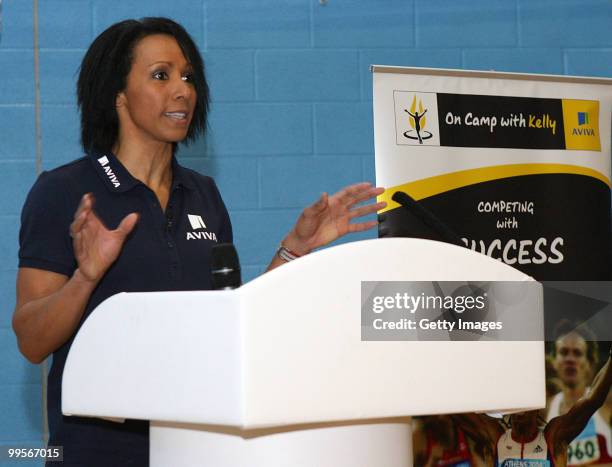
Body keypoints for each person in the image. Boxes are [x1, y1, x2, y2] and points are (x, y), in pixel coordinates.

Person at [11, 18, 385, 466]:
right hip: (98, 451)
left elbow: (227, 324)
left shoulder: (203, 193)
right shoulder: (66, 191)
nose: (182, 90)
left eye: (188, 76)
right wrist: (86, 277)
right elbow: (31, 341)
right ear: (118, 95)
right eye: (160, 75)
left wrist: (294, 248)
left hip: (198, 445)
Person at [451, 347, 612, 467]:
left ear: (537, 405)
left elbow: (592, 401)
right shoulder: (494, 438)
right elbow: (453, 404)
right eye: (516, 398)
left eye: (525, 398)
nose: (520, 406)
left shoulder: (554, 437)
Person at [547, 321, 612, 465]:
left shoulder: (608, 403)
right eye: (564, 352)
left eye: (577, 353)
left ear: (590, 362)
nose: (570, 359)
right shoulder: (545, 409)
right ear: (553, 360)